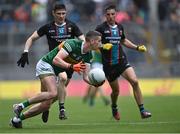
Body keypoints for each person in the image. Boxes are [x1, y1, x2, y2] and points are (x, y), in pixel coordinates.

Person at [10, 30, 104, 128]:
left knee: (46, 105)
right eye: (99, 41)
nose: (101, 44)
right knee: (53, 93)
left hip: (57, 70)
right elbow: (56, 60)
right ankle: (20, 106)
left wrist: (94, 83)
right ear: (92, 41)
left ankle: (17, 119)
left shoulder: (89, 55)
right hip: (46, 64)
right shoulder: (72, 44)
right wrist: (71, 67)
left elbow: (86, 76)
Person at [16, 3, 85, 122]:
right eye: (59, 13)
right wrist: (25, 52)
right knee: (49, 93)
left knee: (53, 95)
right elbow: (31, 38)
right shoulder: (48, 27)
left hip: (68, 63)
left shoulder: (72, 26)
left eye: (63, 13)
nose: (61, 16)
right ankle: (59, 109)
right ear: (53, 13)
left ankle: (47, 108)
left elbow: (83, 41)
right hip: (52, 63)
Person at [95, 5, 151, 120]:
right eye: (108, 14)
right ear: (105, 16)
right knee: (116, 91)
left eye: (112, 14)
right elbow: (93, 43)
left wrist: (137, 47)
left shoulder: (120, 27)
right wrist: (102, 45)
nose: (110, 16)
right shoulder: (100, 28)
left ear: (116, 14)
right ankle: (114, 106)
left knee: (135, 81)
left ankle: (142, 110)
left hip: (122, 61)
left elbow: (123, 40)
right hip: (109, 65)